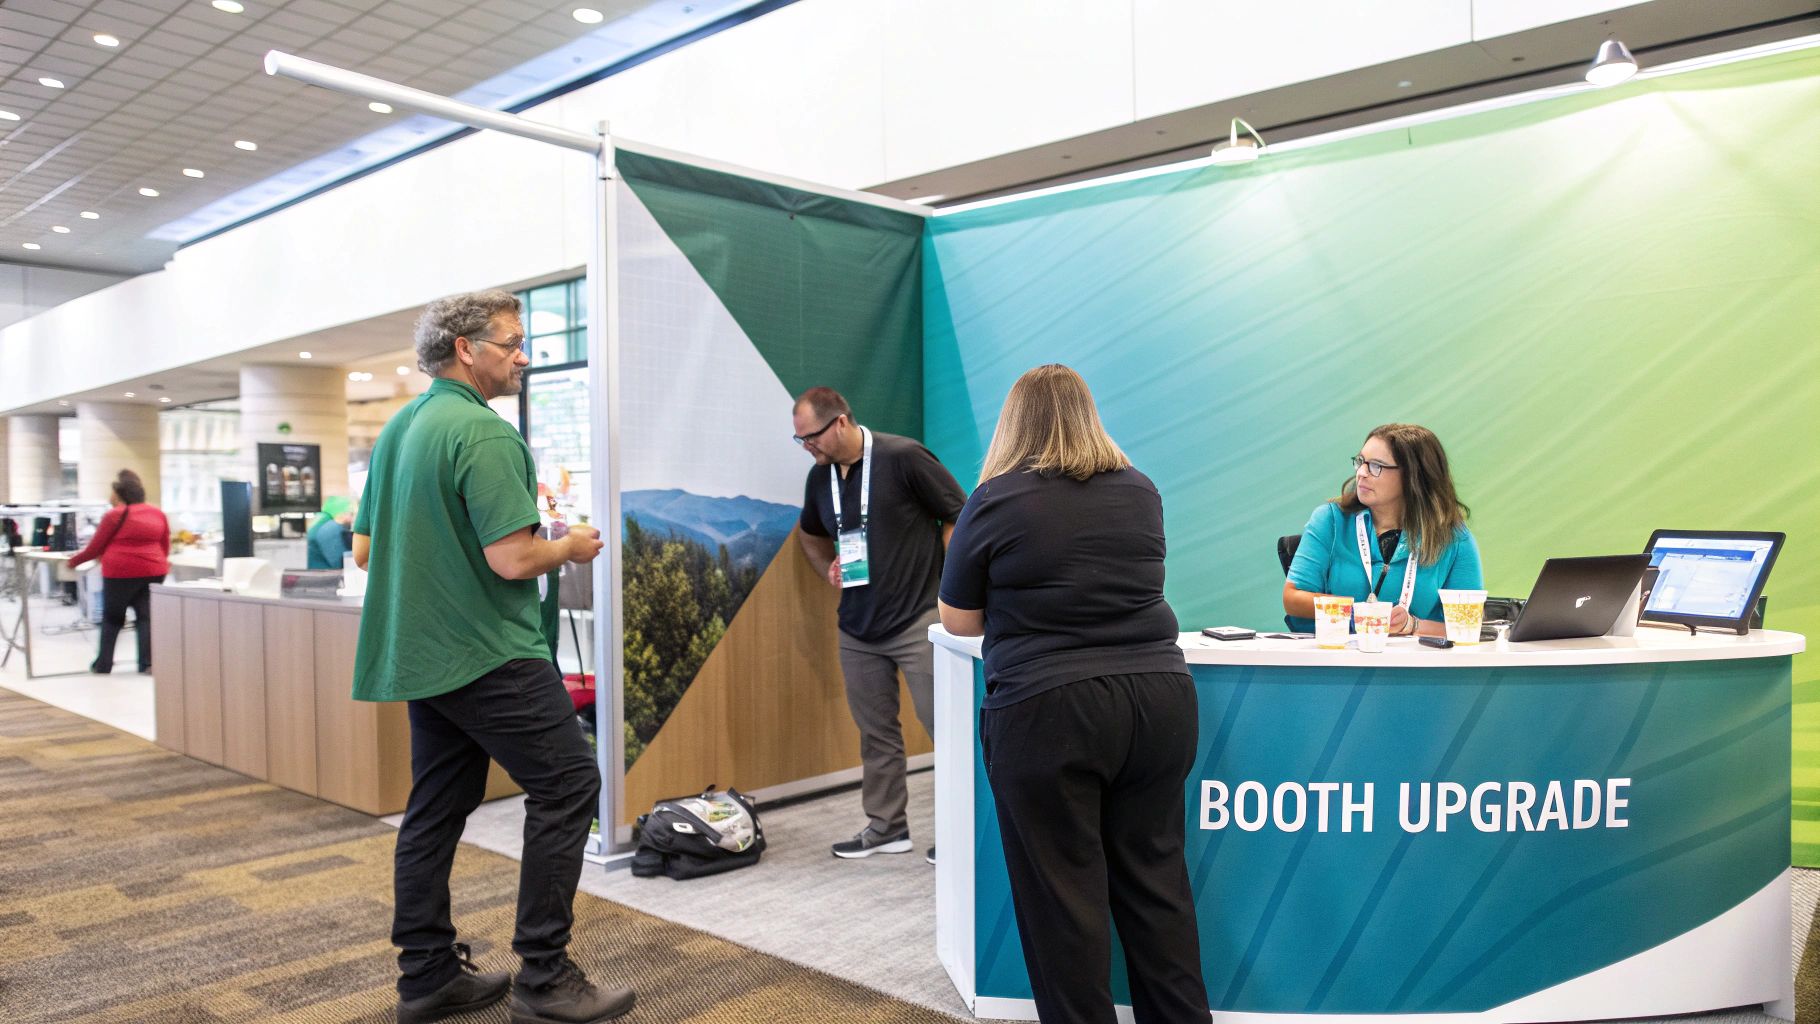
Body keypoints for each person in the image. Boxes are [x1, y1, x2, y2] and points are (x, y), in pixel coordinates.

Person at [351, 289, 629, 1024]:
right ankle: (544, 977)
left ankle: (428, 977)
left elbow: (364, 547)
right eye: (510, 342)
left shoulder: (402, 427)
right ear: (466, 348)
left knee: (436, 809)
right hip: (488, 651)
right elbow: (512, 561)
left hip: (425, 652)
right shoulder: (485, 435)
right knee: (570, 784)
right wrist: (568, 545)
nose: (523, 356)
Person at [937, 364, 1208, 1024]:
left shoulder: (995, 499)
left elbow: (957, 618)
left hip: (1048, 711)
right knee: (1158, 892)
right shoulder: (1140, 490)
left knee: (1065, 909)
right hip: (1160, 703)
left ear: (1013, 424)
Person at [793, 385, 966, 863]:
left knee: (947, 731)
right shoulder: (820, 478)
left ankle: (962, 830)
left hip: (917, 620)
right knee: (877, 735)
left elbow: (959, 514)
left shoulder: (904, 457)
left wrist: (950, 585)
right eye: (800, 440)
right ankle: (887, 827)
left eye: (811, 436)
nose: (807, 446)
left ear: (841, 422)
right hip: (856, 627)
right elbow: (809, 535)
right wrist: (826, 566)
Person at [1282, 422, 1483, 636]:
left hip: (1414, 665)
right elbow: (1293, 598)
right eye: (1360, 462)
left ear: (1413, 476)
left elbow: (1468, 628)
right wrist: (1360, 613)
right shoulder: (1330, 520)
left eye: (1376, 466)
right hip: (1338, 658)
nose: (1361, 473)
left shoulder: (1453, 538)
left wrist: (1411, 626)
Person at [68, 469, 169, 675]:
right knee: (145, 616)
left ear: (121, 495)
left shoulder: (115, 515)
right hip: (154, 570)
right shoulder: (157, 513)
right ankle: (147, 663)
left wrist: (73, 562)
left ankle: (104, 664)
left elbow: (95, 547)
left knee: (113, 617)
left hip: (121, 572)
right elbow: (164, 544)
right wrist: (160, 563)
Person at [306, 495, 355, 570]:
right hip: (323, 577)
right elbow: (340, 563)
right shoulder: (330, 528)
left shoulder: (321, 521)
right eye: (350, 514)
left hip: (315, 574)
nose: (352, 519)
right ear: (341, 513)